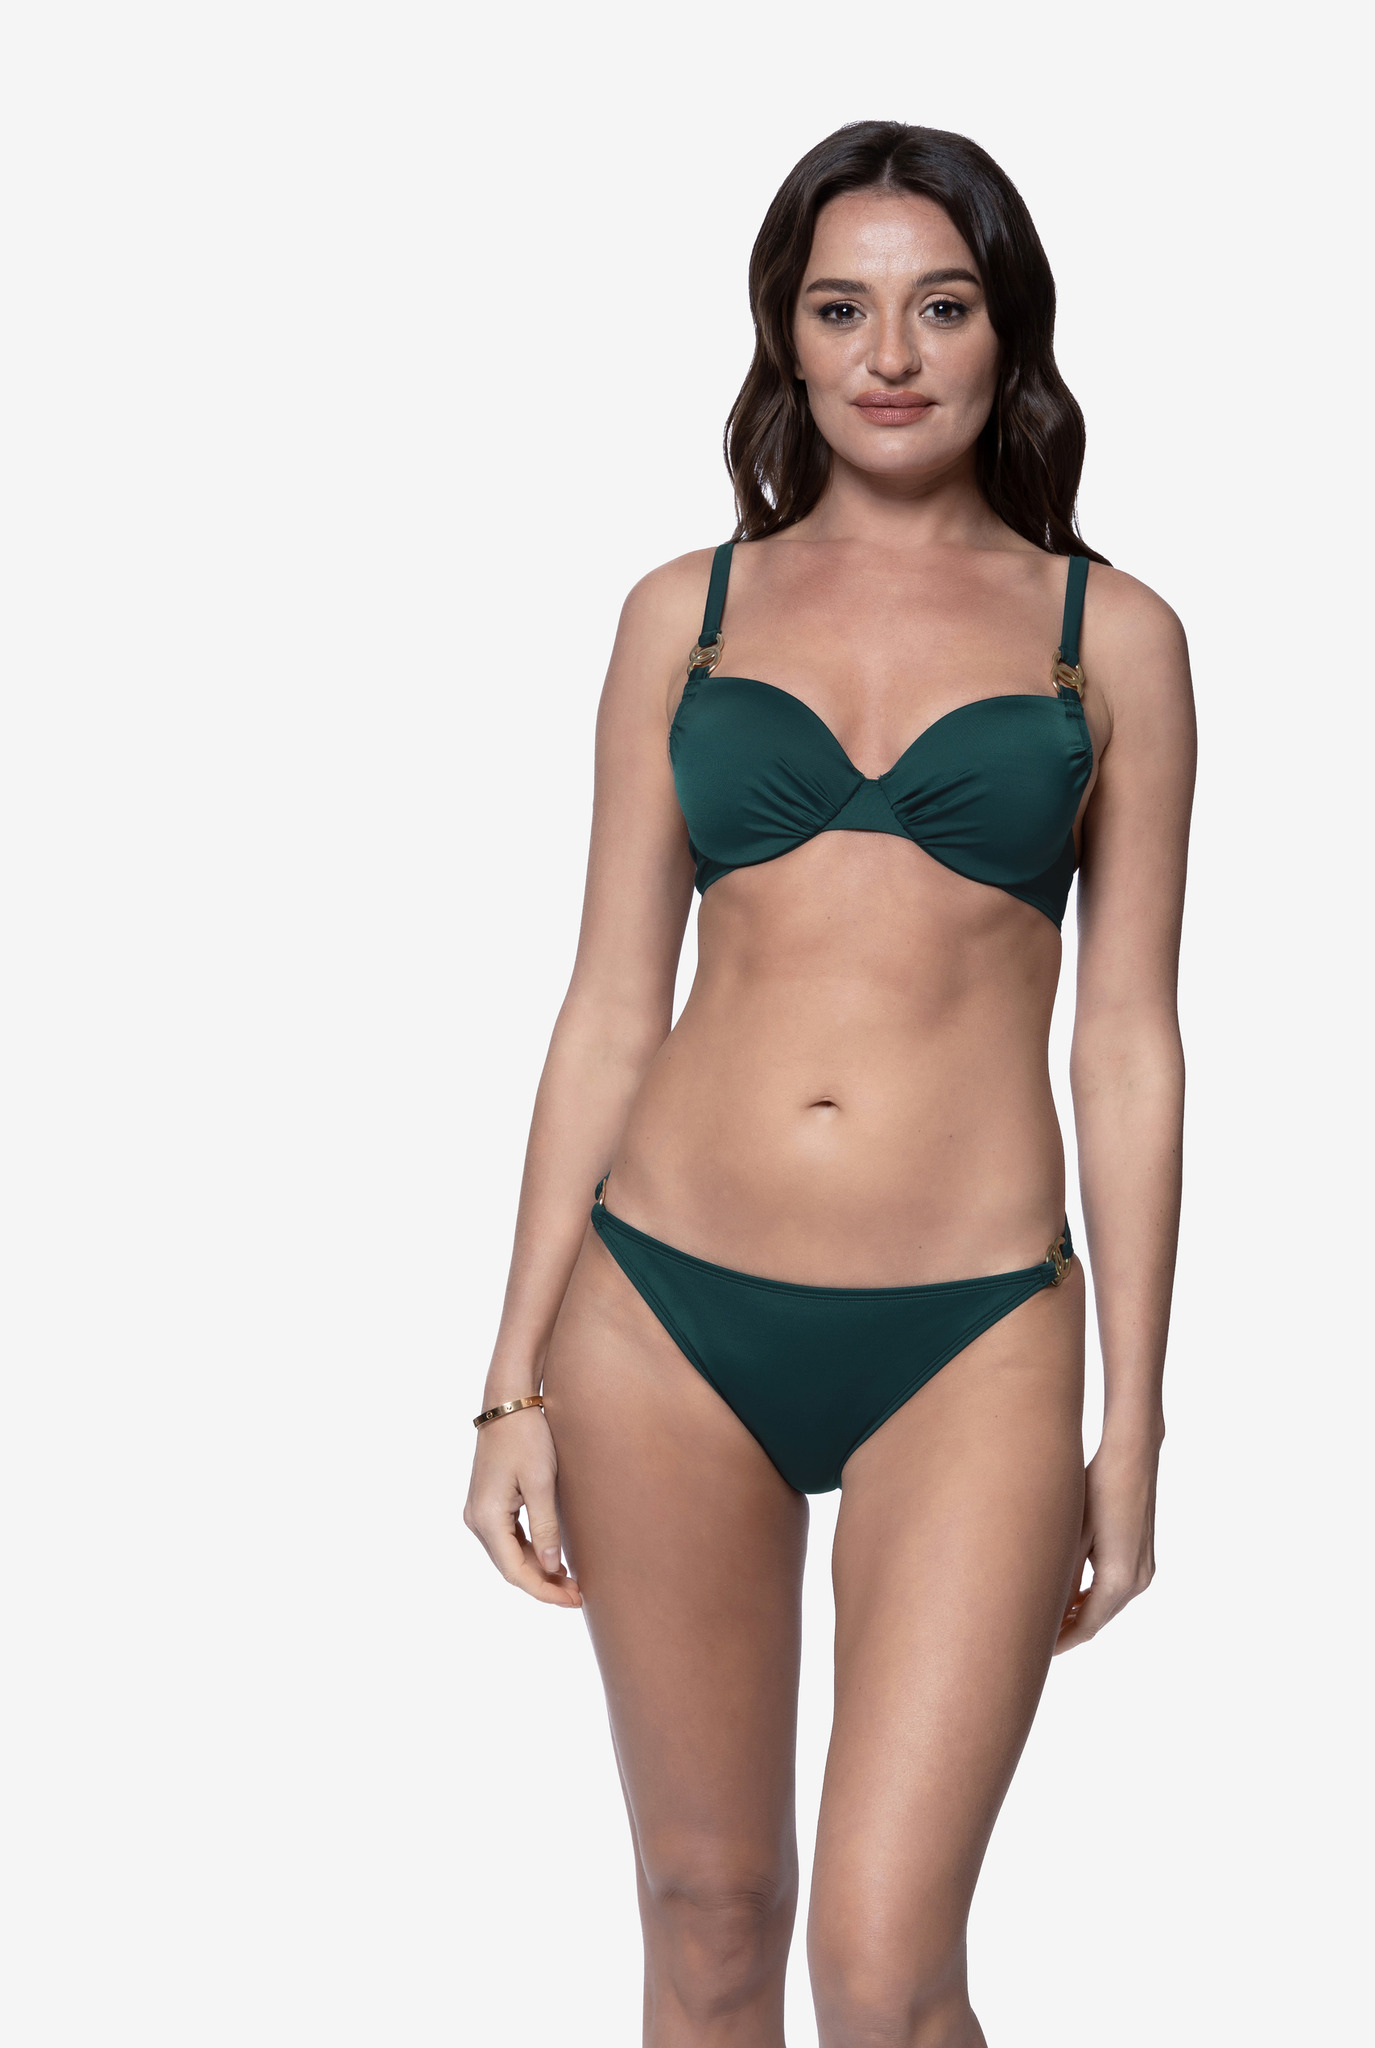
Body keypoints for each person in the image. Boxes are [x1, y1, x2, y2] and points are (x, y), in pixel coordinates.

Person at [465, 118, 1195, 2048]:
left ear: (1007, 332)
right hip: (662, 1315)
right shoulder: (684, 614)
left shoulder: (1111, 636)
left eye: (940, 308)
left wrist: (1133, 1425)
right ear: (782, 337)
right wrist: (512, 1376)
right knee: (708, 1923)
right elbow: (607, 1005)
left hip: (975, 1332)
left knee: (883, 1973)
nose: (889, 355)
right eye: (840, 308)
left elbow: (1129, 1041)